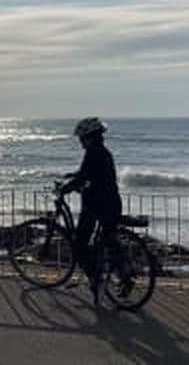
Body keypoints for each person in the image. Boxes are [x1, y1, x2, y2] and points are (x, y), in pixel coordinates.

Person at [59, 117, 122, 300]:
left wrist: (65, 189)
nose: (80, 142)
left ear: (89, 137)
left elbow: (84, 177)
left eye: (81, 138)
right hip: (111, 203)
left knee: (79, 244)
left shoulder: (93, 153)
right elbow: (89, 173)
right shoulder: (102, 152)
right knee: (108, 240)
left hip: (97, 205)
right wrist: (75, 176)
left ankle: (95, 279)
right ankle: (122, 272)